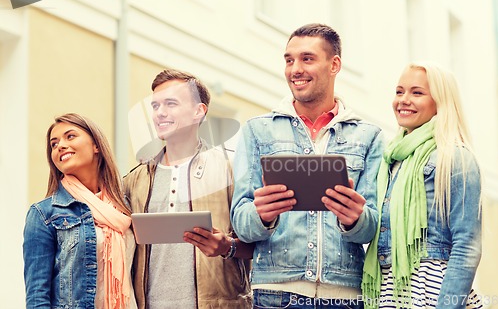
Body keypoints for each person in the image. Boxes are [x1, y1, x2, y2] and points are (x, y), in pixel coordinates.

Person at [230, 23, 384, 308]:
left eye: (307, 59)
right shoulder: (257, 131)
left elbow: (373, 227)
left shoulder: (368, 136)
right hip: (274, 294)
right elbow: (241, 222)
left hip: (345, 296)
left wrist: (353, 218)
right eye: (289, 60)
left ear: (334, 64)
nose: (294, 69)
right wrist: (262, 215)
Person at [123, 68, 253, 309]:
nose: (160, 113)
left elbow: (263, 245)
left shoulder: (230, 171)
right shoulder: (133, 181)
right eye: (155, 106)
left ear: (198, 111)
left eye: (170, 104)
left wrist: (227, 247)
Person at [362, 62, 482, 309]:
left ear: (440, 101)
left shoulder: (455, 157)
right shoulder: (389, 158)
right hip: (387, 291)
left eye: (417, 93)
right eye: (399, 92)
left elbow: (467, 245)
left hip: (431, 291)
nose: (404, 100)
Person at [23, 113, 137, 309]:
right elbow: (36, 296)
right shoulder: (44, 214)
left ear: (96, 146)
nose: (60, 146)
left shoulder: (126, 207)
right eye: (54, 144)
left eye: (70, 136)